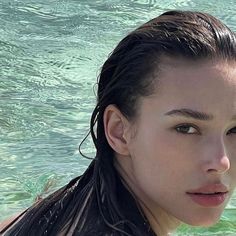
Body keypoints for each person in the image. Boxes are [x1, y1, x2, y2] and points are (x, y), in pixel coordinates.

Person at [1, 10, 236, 236]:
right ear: (119, 131)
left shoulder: (36, 217)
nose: (221, 162)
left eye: (234, 130)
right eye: (186, 128)